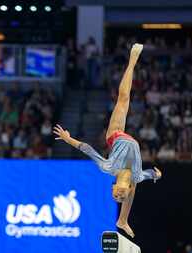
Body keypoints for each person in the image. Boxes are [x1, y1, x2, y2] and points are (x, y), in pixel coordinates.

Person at [53, 44, 162, 238]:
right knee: (135, 178)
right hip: (131, 152)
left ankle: (132, 61)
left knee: (123, 97)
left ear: (113, 187)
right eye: (122, 196)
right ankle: (122, 219)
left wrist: (68, 139)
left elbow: (87, 149)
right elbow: (150, 174)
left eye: (116, 195)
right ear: (126, 191)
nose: (119, 195)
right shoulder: (136, 176)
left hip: (115, 135)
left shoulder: (108, 167)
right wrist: (156, 175)